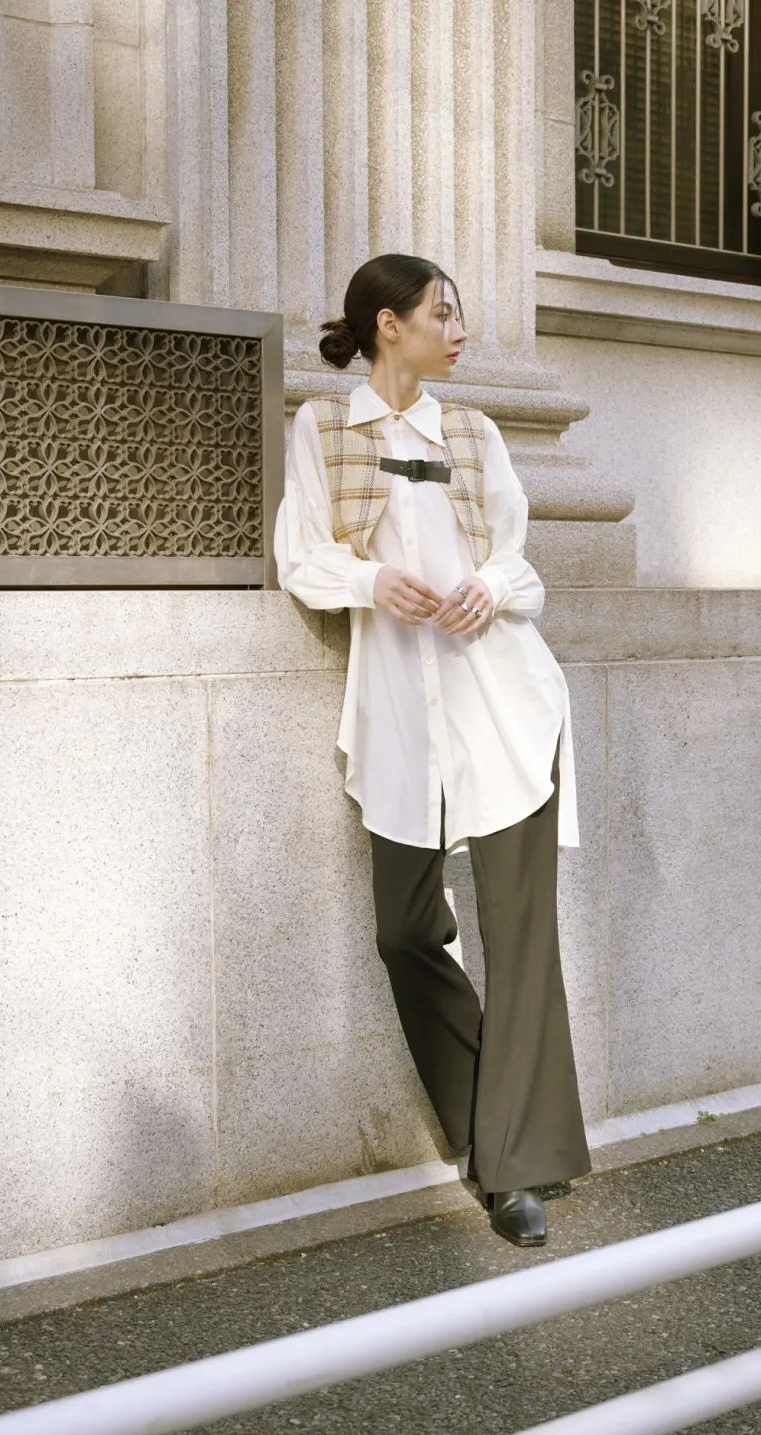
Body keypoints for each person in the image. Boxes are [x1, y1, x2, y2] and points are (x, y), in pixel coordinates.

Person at [273, 252, 591, 1248]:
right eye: (441, 314)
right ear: (388, 326)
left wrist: (486, 588)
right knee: (405, 931)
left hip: (506, 709)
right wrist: (374, 585)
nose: (458, 333)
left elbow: (519, 565)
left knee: (522, 941)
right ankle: (490, 1124)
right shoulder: (324, 429)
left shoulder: (475, 433)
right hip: (402, 722)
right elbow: (300, 555)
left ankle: (513, 1171)